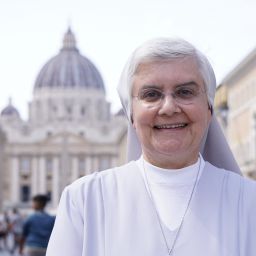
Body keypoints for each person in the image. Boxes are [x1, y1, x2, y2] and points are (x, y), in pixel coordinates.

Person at [46, 38, 256, 256]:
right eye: (151, 94)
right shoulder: (83, 200)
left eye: (185, 92)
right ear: (131, 115)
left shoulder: (250, 202)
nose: (168, 107)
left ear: (209, 108)